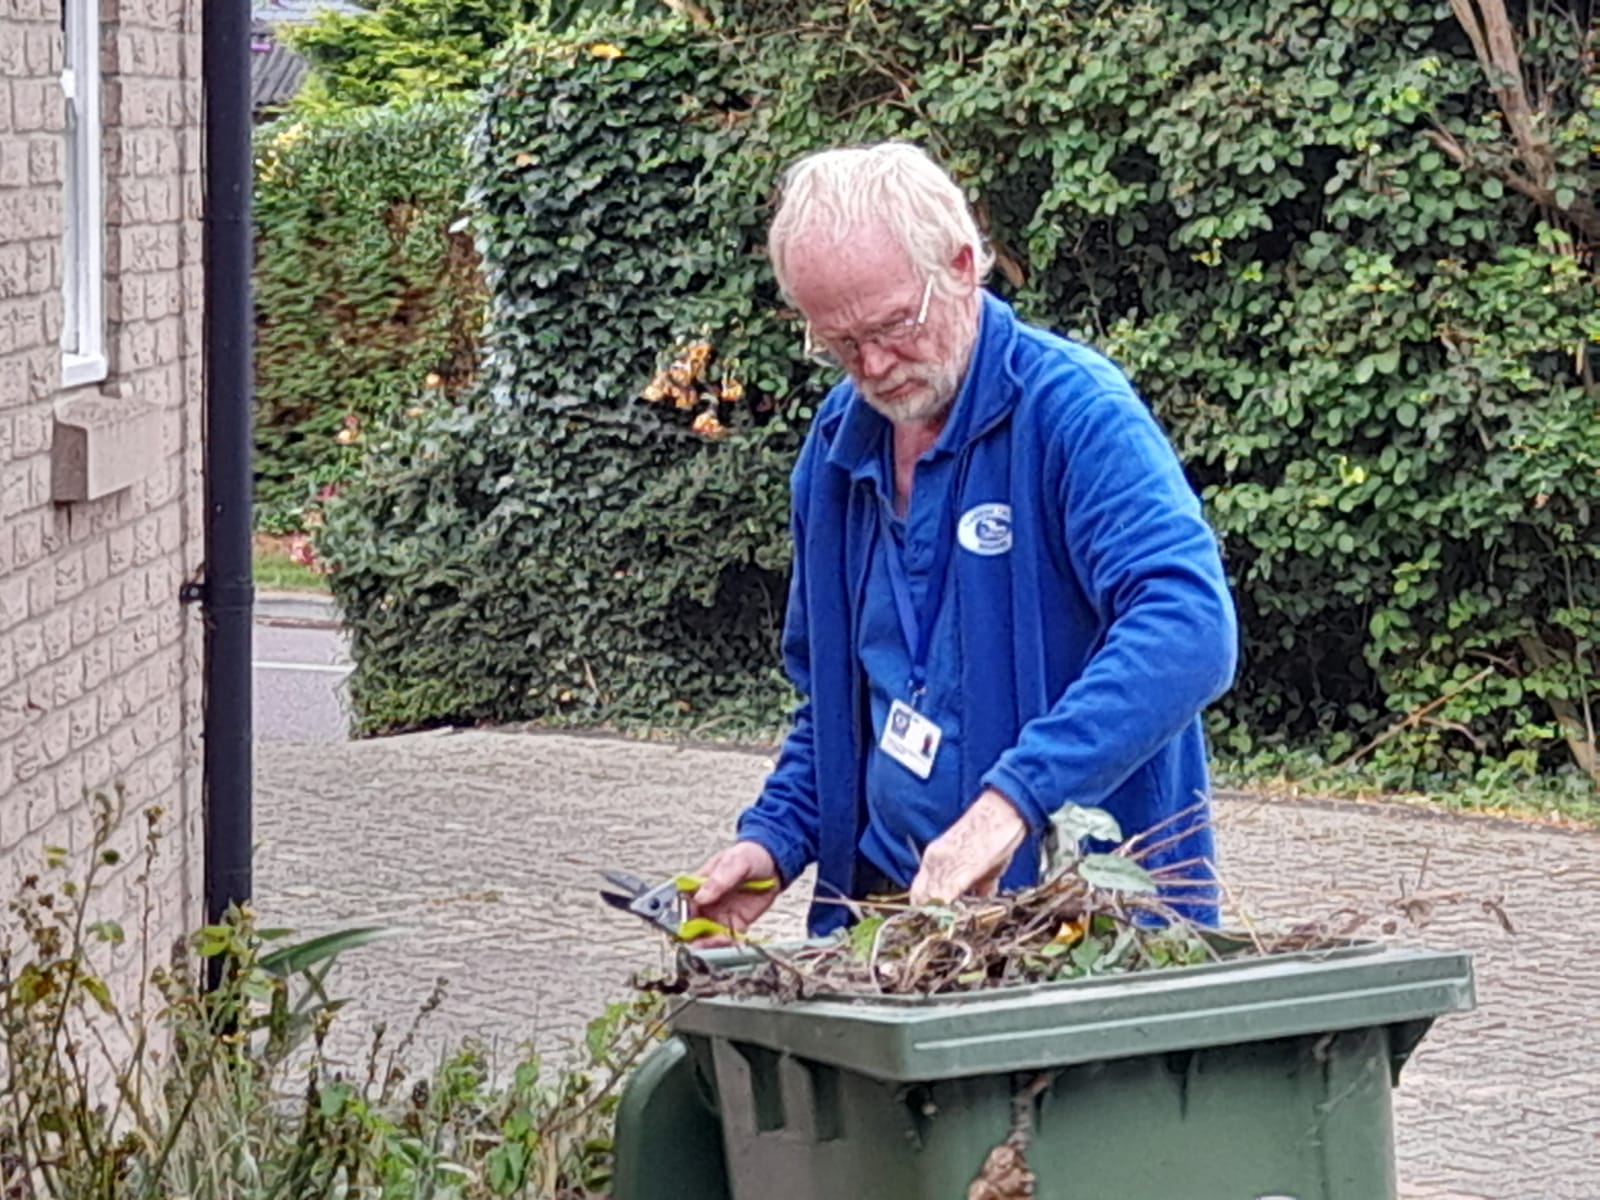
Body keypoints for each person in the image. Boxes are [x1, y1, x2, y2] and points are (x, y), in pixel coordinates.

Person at [691, 142, 1238, 940]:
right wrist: (773, 836)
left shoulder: (1074, 414)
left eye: (892, 326)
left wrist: (1015, 801)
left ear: (960, 263)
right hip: (894, 920)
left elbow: (1189, 628)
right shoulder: (838, 451)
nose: (874, 365)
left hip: (1077, 929)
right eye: (839, 345)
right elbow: (841, 705)